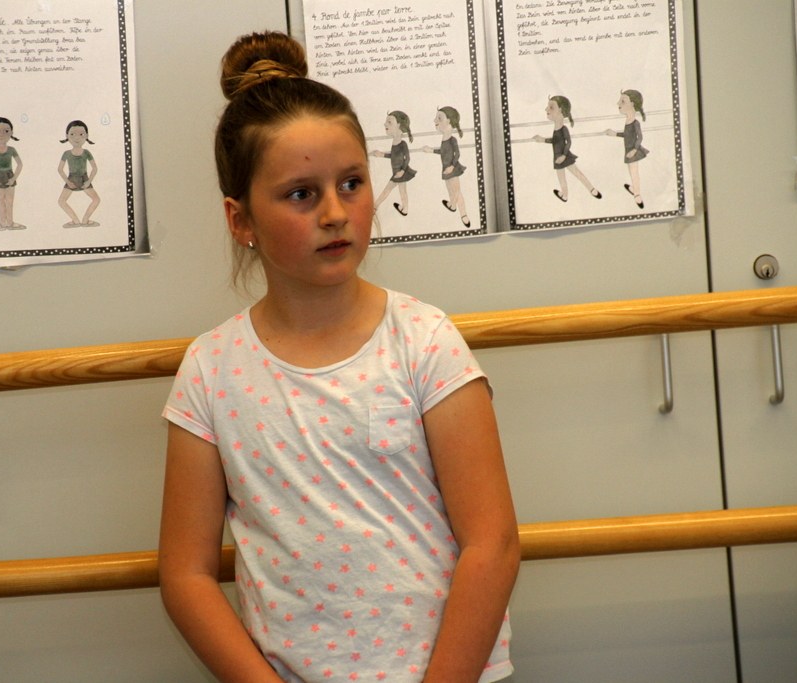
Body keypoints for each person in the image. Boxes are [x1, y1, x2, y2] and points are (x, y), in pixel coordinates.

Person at [159, 31, 519, 683]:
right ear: (241, 220)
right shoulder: (209, 372)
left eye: (351, 183)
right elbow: (186, 574)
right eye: (301, 193)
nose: (335, 212)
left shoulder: (424, 341)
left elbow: (491, 543)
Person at [532, 95, 601, 202]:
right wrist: (542, 140)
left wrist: (564, 156)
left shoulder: (563, 128)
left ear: (560, 110)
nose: (546, 109)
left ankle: (592, 190)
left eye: (551, 107)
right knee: (561, 178)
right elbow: (555, 141)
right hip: (557, 157)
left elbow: (568, 142)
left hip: (564, 156)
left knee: (577, 173)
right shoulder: (557, 128)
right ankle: (565, 195)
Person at [420, 106, 471, 227]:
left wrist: (452, 166)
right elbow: (443, 152)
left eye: (439, 118)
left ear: (448, 121)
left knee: (457, 192)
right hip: (445, 168)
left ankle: (464, 215)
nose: (435, 121)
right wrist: (431, 150)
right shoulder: (444, 139)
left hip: (453, 169)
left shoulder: (452, 139)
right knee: (449, 189)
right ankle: (452, 206)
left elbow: (457, 154)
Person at [604, 89, 648, 209]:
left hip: (633, 151)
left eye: (622, 101)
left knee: (634, 172)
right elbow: (628, 135)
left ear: (632, 104)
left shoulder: (635, 122)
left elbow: (640, 137)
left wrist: (634, 150)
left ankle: (637, 195)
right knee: (632, 171)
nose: (618, 103)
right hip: (628, 150)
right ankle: (635, 188)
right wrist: (615, 134)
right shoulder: (628, 120)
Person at [370, 110, 417, 216]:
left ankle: (375, 207)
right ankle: (404, 209)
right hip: (396, 172)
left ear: (399, 125)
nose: (385, 124)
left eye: (389, 122)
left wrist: (402, 171)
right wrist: (382, 154)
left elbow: (407, 158)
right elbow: (394, 156)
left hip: (400, 172)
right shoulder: (395, 141)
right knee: (399, 191)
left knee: (392, 190)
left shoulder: (402, 143)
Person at [57, 119, 101, 227]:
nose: (77, 138)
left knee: (96, 199)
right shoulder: (66, 153)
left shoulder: (86, 152)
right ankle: (76, 221)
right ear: (67, 136)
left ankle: (85, 220)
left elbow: (94, 168)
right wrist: (68, 182)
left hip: (84, 179)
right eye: (72, 134)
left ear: (86, 136)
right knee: (61, 201)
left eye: (81, 134)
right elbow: (60, 169)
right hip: (71, 179)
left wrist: (88, 182)